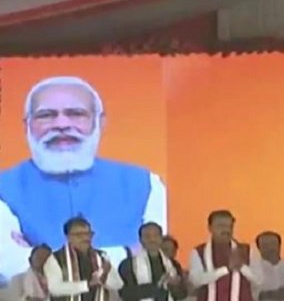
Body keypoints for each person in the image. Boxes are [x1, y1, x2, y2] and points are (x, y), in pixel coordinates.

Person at [0, 76, 167, 285]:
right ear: (27, 125)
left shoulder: (146, 183)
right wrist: (127, 252)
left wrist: (43, 259)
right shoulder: (3, 189)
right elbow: (11, 264)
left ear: (100, 122)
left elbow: (156, 257)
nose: (61, 124)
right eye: (46, 115)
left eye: (76, 114)